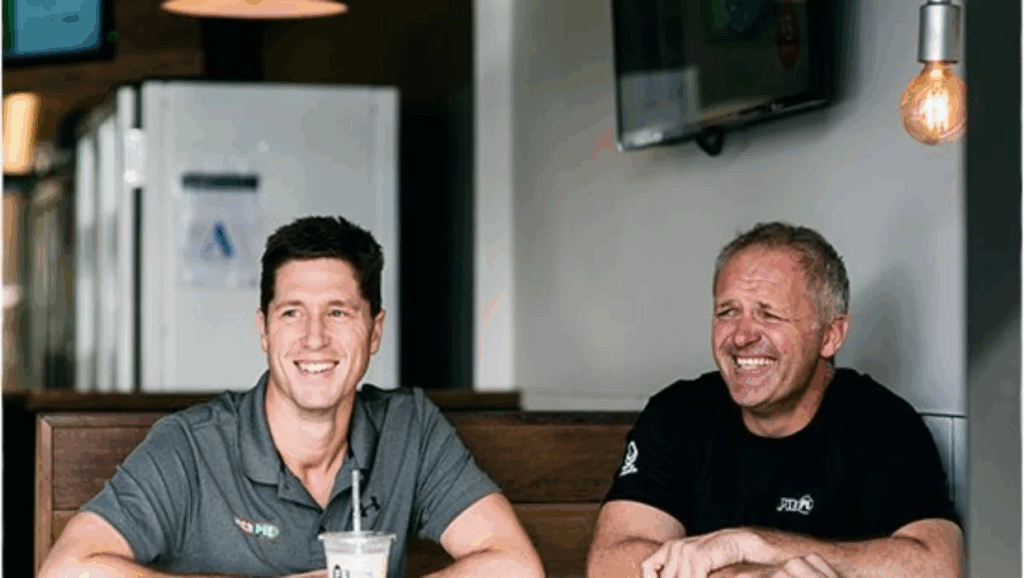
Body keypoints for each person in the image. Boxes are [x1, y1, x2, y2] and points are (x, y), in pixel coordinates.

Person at [38, 216, 544, 578]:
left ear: (375, 331)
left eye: (338, 312)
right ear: (264, 330)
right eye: (292, 313)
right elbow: (67, 569)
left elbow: (516, 566)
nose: (314, 338)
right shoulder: (192, 447)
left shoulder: (409, 429)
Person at [586, 222, 963, 578]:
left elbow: (940, 565)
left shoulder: (881, 423)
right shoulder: (678, 414)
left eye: (768, 315)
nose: (741, 336)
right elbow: (610, 562)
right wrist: (747, 575)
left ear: (830, 335)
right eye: (727, 312)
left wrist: (754, 544)